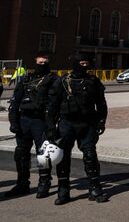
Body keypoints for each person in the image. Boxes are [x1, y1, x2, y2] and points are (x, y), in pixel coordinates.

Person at [47, 54, 108, 205]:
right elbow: (52, 106)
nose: (84, 66)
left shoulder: (93, 81)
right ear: (75, 63)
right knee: (63, 156)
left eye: (87, 63)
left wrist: (101, 121)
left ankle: (94, 188)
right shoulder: (62, 82)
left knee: (90, 155)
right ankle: (63, 190)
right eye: (81, 63)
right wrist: (50, 127)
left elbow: (101, 104)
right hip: (67, 123)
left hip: (87, 124)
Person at [6, 53, 58, 198]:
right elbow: (15, 101)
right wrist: (14, 121)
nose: (42, 65)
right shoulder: (26, 79)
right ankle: (22, 183)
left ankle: (44, 182)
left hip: (41, 120)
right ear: (35, 61)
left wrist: (51, 124)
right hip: (24, 120)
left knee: (43, 154)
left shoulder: (53, 79)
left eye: (45, 62)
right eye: (40, 62)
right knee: (21, 153)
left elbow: (56, 103)